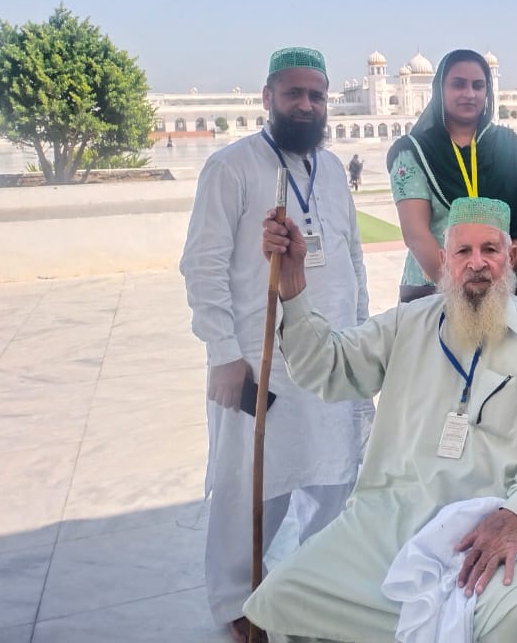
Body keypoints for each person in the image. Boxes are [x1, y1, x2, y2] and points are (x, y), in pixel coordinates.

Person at [246, 197, 517, 642]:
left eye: (490, 250)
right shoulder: (408, 322)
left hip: (486, 526)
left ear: (510, 258)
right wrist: (293, 287)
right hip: (387, 518)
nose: (477, 263)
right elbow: (326, 365)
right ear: (444, 261)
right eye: (463, 252)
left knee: (497, 621)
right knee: (284, 597)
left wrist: (516, 515)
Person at [180, 46, 371, 641]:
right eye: (294, 93)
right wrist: (223, 353)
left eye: (317, 95)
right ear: (268, 98)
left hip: (332, 354)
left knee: (336, 477)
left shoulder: (333, 169)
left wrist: (362, 340)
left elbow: (352, 259)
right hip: (261, 361)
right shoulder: (232, 167)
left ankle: (312, 585)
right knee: (251, 488)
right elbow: (202, 266)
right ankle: (239, 600)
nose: (306, 104)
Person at [388, 49, 517, 298]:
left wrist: (495, 278)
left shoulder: (506, 144)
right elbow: (416, 234)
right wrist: (460, 288)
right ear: (440, 90)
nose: (469, 94)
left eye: (478, 86)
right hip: (437, 289)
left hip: (501, 292)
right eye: (458, 85)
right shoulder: (414, 151)